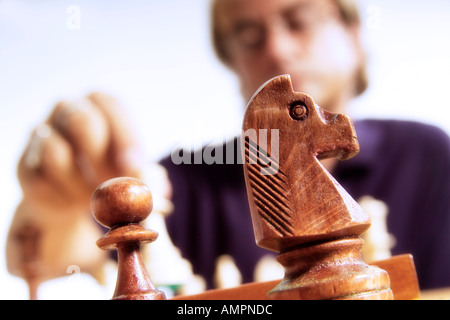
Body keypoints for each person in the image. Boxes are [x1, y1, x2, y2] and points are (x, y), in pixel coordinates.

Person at [6, 0, 449, 294]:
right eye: (249, 36)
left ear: (353, 36)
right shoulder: (180, 180)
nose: (277, 49)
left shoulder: (429, 155)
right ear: (230, 60)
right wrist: (52, 201)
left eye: (299, 20)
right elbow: (48, 256)